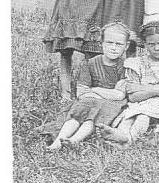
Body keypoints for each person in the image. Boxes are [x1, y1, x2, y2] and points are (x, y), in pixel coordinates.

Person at [99, 21, 159, 146]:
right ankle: (120, 134)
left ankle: (128, 140)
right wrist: (158, 89)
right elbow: (132, 96)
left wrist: (141, 89)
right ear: (144, 44)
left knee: (143, 115)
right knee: (130, 115)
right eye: (151, 44)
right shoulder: (136, 63)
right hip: (141, 102)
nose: (156, 48)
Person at [47, 21, 129, 150]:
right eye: (109, 43)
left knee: (92, 118)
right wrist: (101, 94)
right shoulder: (89, 63)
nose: (113, 47)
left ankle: (74, 140)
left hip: (111, 104)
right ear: (101, 43)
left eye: (119, 44)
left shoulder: (125, 66)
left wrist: (94, 89)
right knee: (77, 114)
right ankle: (58, 142)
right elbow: (81, 92)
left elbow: (119, 95)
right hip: (89, 101)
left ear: (126, 46)